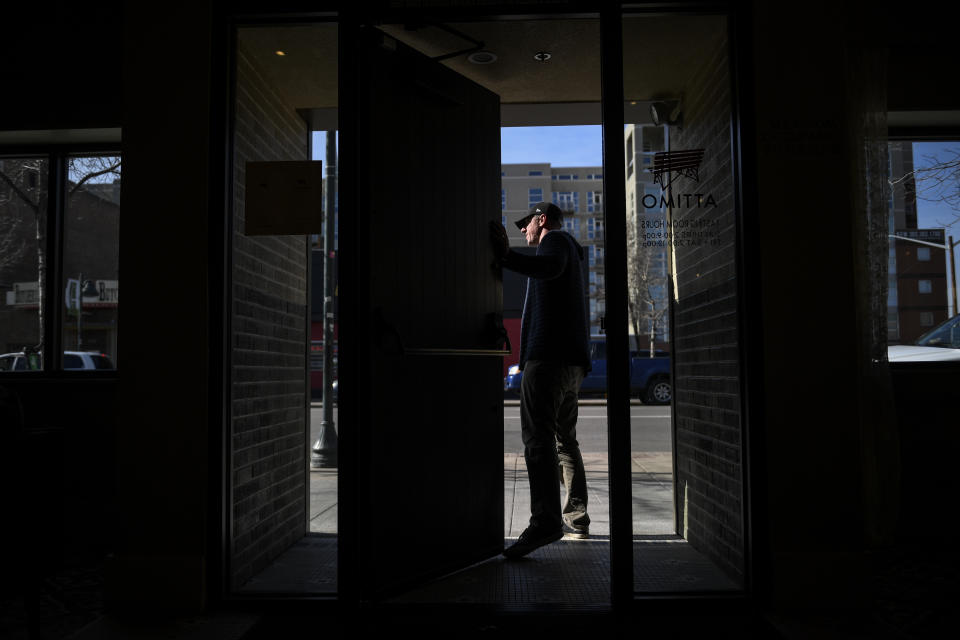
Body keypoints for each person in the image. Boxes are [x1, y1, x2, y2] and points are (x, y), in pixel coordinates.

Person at [489, 202, 592, 559]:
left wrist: (506, 256)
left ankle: (545, 520)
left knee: (537, 440)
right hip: (570, 361)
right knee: (565, 441)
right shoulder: (569, 249)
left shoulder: (556, 242)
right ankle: (576, 519)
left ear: (541, 220)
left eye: (525, 225)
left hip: (549, 358)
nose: (522, 232)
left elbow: (548, 267)